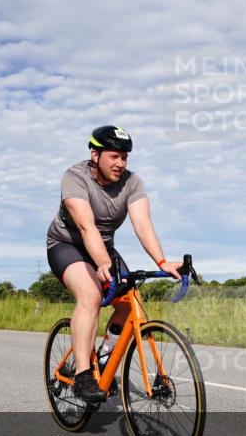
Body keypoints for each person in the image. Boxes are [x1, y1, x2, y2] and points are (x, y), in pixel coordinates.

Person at [46, 126, 181, 402]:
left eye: (125, 158)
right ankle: (83, 376)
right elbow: (86, 227)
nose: (121, 164)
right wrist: (103, 263)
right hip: (67, 245)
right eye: (114, 157)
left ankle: (105, 360)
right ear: (95, 155)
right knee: (91, 295)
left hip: (103, 248)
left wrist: (162, 261)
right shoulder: (74, 177)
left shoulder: (132, 183)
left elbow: (142, 224)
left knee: (131, 299)